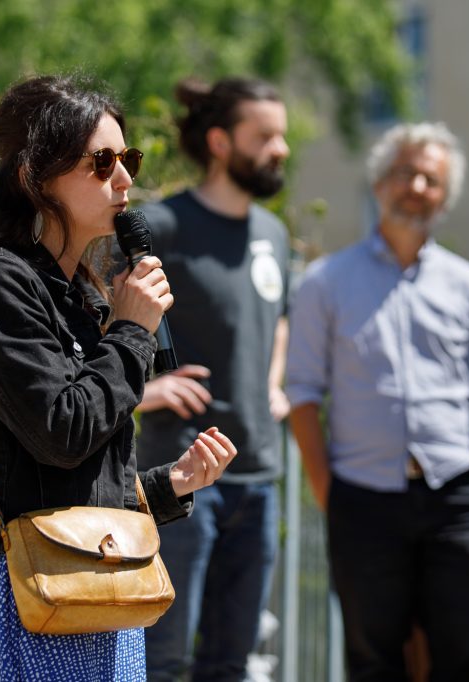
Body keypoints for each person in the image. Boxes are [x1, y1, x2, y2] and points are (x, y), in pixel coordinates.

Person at [0, 74, 238, 681]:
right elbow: (61, 434)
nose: (125, 178)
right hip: (26, 599)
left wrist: (173, 482)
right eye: (102, 162)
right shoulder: (0, 283)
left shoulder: (84, 299)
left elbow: (77, 479)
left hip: (98, 594)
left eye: (129, 158)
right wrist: (132, 332)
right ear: (33, 176)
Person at [286, 122, 469, 681]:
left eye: (430, 178)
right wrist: (329, 489)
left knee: (466, 657)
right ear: (379, 185)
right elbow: (301, 394)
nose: (416, 186)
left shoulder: (467, 284)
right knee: (372, 662)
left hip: (457, 495)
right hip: (363, 498)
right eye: (404, 173)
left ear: (445, 194)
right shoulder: (326, 282)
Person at [134, 76, 291, 682]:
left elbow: (280, 320)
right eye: (266, 136)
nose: (281, 149)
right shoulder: (161, 226)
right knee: (162, 659)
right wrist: (143, 391)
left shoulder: (273, 235)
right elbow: (87, 318)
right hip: (181, 478)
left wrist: (273, 384)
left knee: (232, 660)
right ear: (222, 142)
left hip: (259, 478)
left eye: (282, 136)